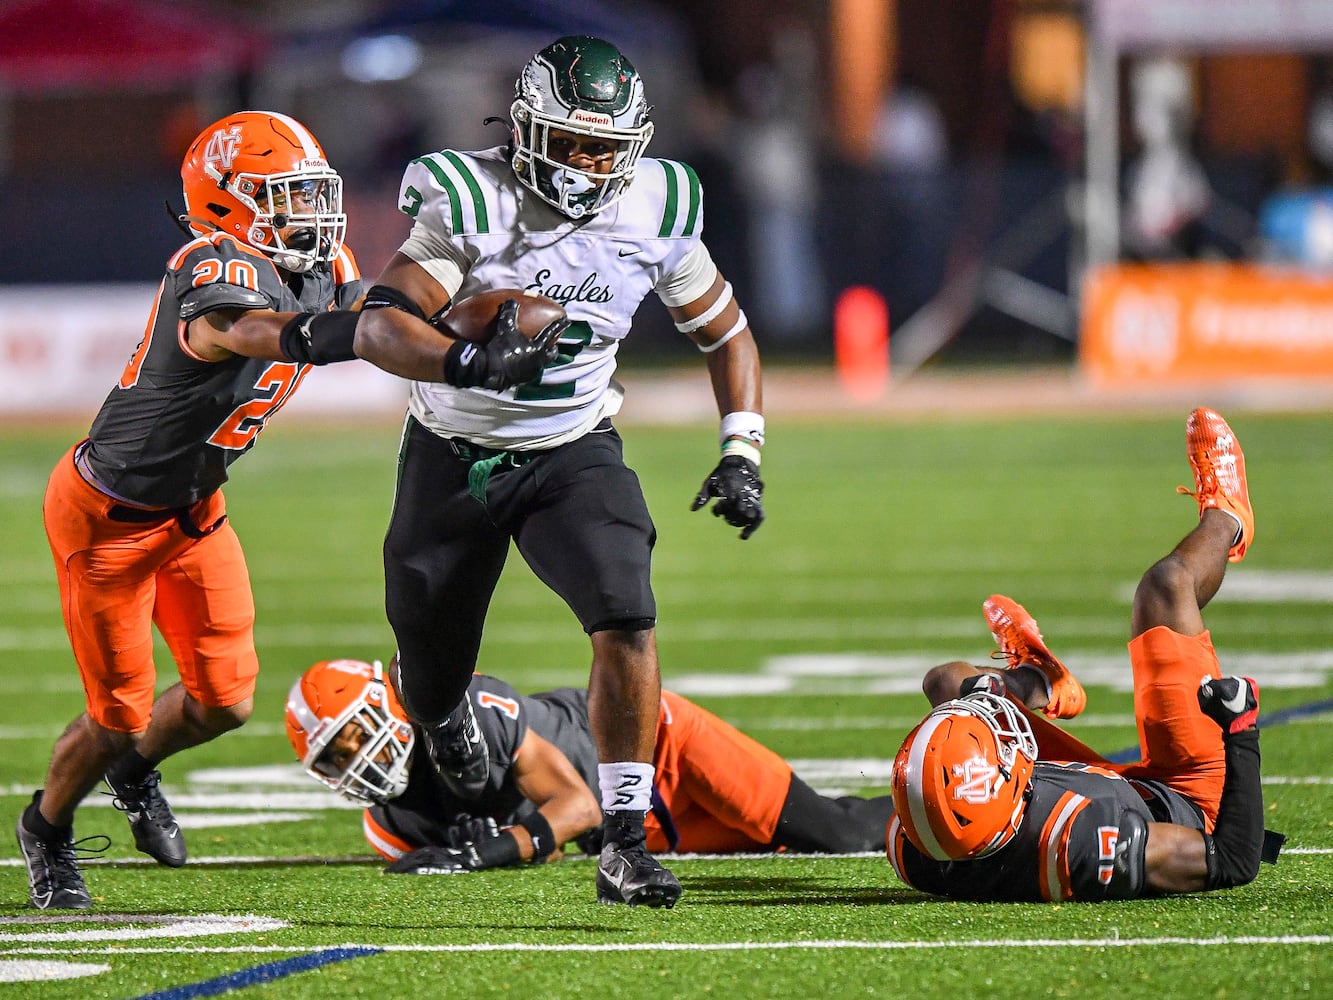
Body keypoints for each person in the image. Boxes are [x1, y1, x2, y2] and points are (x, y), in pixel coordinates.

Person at [14, 111, 535, 912]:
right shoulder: (207, 268)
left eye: (309, 193)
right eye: (285, 197)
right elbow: (253, 330)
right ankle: (46, 830)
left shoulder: (323, 267)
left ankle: (132, 770)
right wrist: (364, 328)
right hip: (108, 519)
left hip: (194, 508)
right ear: (226, 204)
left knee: (223, 702)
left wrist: (475, 324)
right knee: (116, 713)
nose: (311, 213)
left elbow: (388, 318)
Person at [360, 36, 767, 907]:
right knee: (428, 673)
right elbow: (380, 327)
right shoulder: (469, 199)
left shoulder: (656, 204)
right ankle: (443, 720)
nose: (589, 165)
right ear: (524, 130)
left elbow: (724, 331)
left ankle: (624, 840)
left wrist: (742, 447)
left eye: (606, 148)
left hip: (572, 444)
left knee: (626, 612)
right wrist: (467, 363)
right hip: (455, 455)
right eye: (572, 143)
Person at [887, 407, 1282, 901]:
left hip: (1086, 793)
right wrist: (1241, 731)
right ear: (1009, 793)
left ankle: (1041, 678)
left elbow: (952, 804)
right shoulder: (1082, 845)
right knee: (1165, 587)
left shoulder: (917, 845)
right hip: (1188, 797)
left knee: (945, 685)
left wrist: (984, 710)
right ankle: (1227, 516)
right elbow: (1234, 860)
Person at [284, 659, 892, 871]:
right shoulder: (391, 827)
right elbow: (550, 840)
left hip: (656, 745)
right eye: (332, 760)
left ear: (383, 703)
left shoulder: (466, 711)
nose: (352, 762)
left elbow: (577, 802)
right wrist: (509, 845)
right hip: (627, 827)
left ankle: (943, 795)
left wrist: (488, 851)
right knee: (780, 845)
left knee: (837, 833)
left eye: (351, 738)